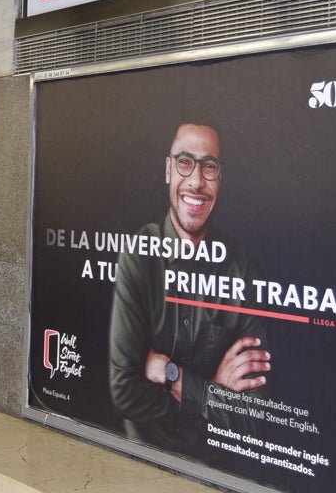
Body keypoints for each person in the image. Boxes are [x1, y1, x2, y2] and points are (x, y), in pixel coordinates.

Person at [108, 121, 271, 460]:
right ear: (168, 170)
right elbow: (124, 393)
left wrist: (172, 375)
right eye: (185, 161)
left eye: (209, 166)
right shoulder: (139, 256)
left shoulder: (243, 271)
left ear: (220, 179)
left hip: (217, 472)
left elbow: (254, 421)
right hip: (140, 462)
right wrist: (214, 391)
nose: (196, 181)